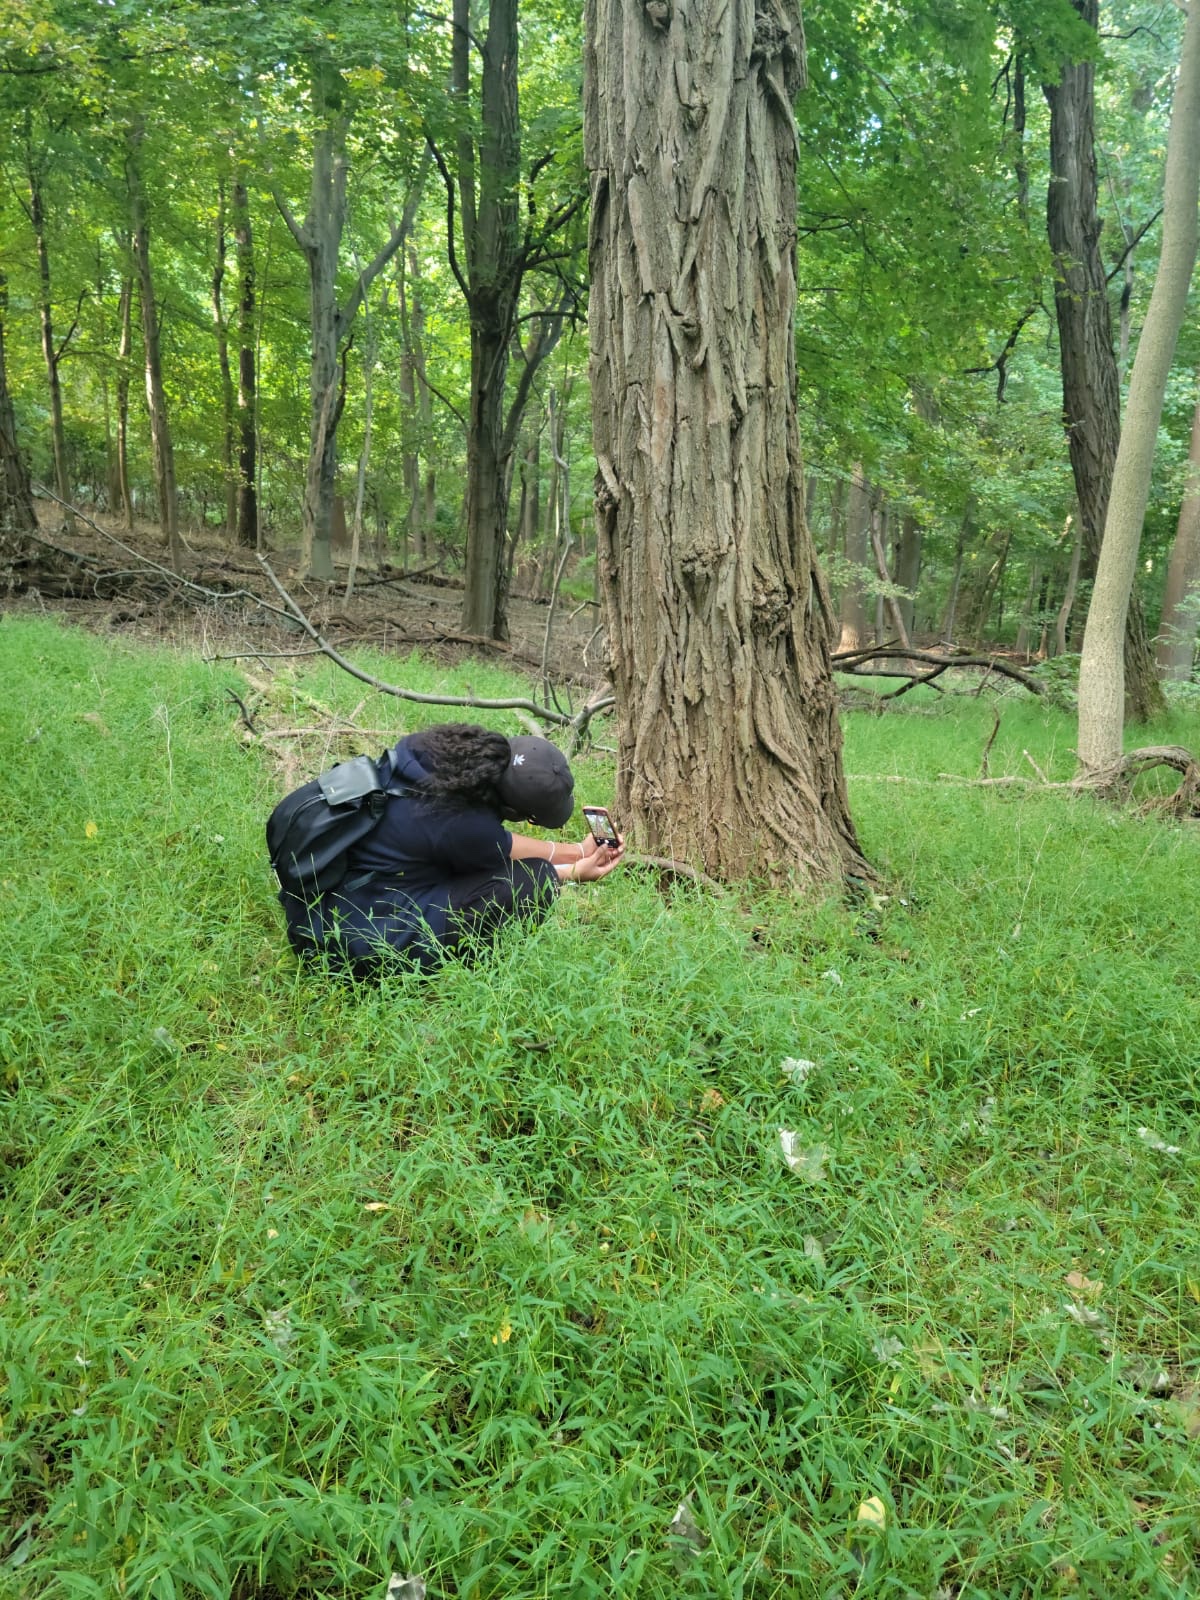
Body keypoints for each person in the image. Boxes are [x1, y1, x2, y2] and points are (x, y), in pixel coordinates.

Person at [281, 723, 624, 976]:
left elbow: (500, 844)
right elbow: (498, 848)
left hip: (322, 902)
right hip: (346, 940)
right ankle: (460, 973)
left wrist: (577, 850)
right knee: (532, 882)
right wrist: (574, 871)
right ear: (513, 811)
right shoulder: (463, 827)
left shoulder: (428, 753)